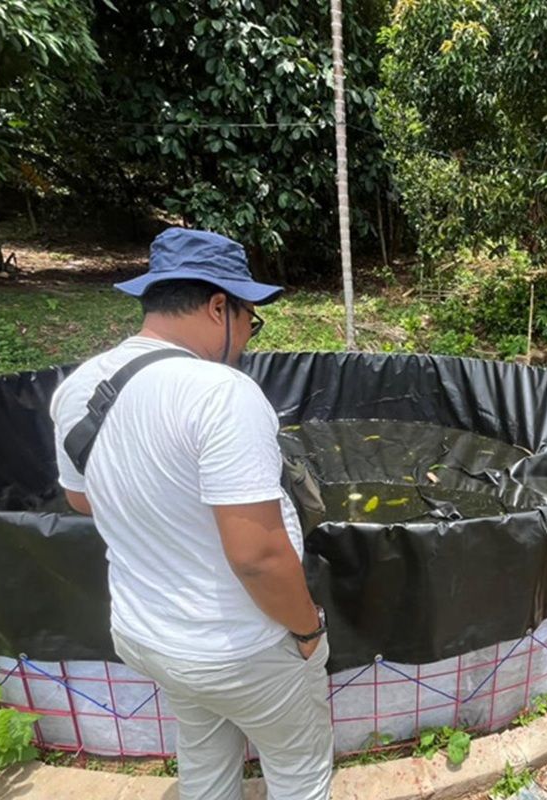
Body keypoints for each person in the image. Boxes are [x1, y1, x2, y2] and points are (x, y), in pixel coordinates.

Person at [50, 227, 332, 800]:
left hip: (147, 634)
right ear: (219, 306)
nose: (247, 337)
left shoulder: (79, 387)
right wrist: (309, 631)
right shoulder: (220, 393)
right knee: (300, 773)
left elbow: (82, 499)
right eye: (251, 320)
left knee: (204, 761)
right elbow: (257, 556)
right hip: (237, 646)